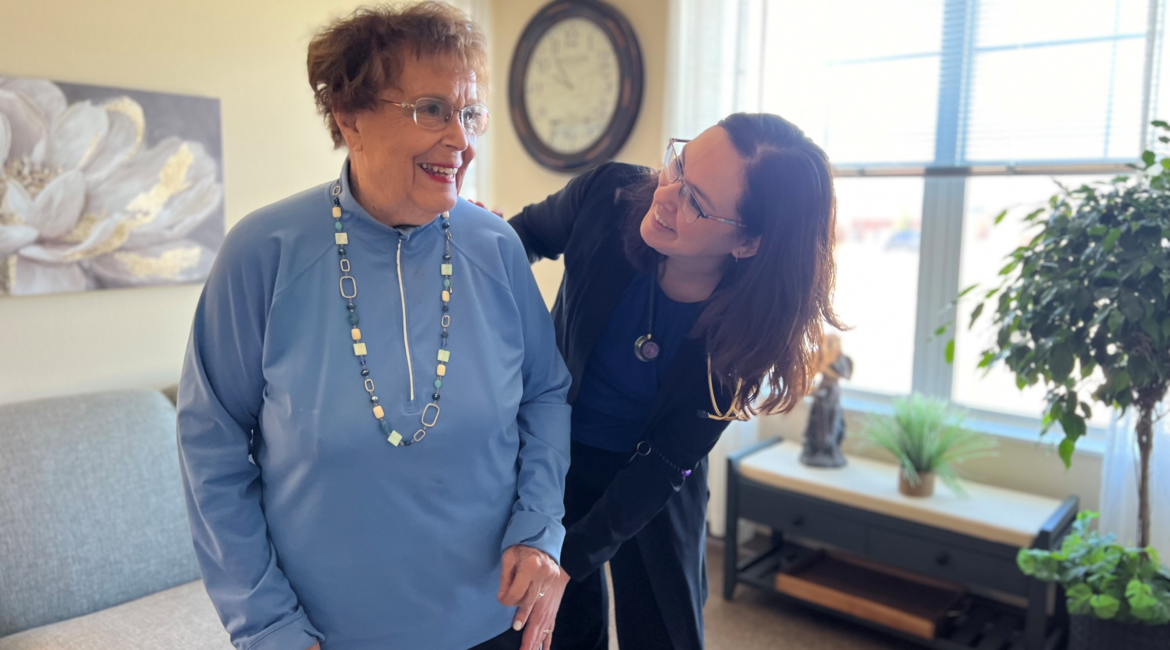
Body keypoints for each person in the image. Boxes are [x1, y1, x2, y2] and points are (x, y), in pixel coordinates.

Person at [176, 4, 570, 650]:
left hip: (492, 622)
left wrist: (538, 527)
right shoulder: (262, 253)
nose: (462, 140)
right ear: (349, 117)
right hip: (325, 636)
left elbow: (544, 394)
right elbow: (211, 448)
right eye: (432, 110)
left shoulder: (496, 248)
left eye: (469, 114)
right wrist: (266, 622)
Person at [508, 113, 842, 649]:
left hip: (651, 476)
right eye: (678, 167)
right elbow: (516, 239)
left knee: (665, 629)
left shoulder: (748, 332)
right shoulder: (609, 194)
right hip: (557, 452)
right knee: (554, 629)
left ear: (748, 243)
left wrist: (567, 564)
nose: (665, 197)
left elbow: (664, 463)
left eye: (697, 203)